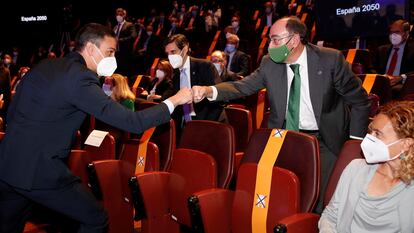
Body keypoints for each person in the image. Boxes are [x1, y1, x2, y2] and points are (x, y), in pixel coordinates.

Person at [0, 23, 192, 233]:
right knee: (96, 218)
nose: (113, 58)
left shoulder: (46, 65)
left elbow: (11, 112)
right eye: (110, 51)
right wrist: (174, 100)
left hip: (8, 163)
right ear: (91, 49)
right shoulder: (80, 78)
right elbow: (133, 123)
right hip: (40, 169)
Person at [192, 16, 371, 213]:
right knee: (278, 191)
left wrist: (354, 145)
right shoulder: (270, 63)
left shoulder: (330, 60)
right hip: (285, 137)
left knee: (321, 201)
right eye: (270, 39)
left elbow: (360, 101)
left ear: (294, 40)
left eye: (275, 39)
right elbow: (241, 87)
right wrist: (209, 91)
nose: (270, 45)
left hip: (325, 140)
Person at [319, 101, 414, 232]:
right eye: (370, 132)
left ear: (405, 144)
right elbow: (330, 216)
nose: (368, 139)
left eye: (378, 134)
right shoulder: (355, 169)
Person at [164, 34, 222, 132]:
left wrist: (205, 126)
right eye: (168, 53)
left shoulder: (204, 66)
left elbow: (219, 96)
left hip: (207, 125)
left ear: (185, 49)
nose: (170, 57)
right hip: (185, 125)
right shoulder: (176, 74)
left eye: (173, 52)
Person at [371, 20, 414, 98]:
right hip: (383, 83)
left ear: (406, 34)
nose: (393, 35)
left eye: (397, 32)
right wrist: (382, 77)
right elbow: (372, 68)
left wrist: (401, 78)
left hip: (402, 85)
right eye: (391, 32)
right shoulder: (381, 50)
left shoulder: (412, 49)